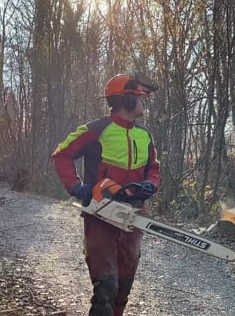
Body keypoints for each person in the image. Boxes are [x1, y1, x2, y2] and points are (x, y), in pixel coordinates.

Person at [52, 72, 160, 316]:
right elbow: (62, 154)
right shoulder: (97, 129)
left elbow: (153, 169)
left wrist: (149, 186)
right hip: (102, 213)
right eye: (139, 97)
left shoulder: (144, 135)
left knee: (123, 285)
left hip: (134, 215)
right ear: (127, 100)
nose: (143, 102)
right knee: (106, 287)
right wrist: (77, 187)